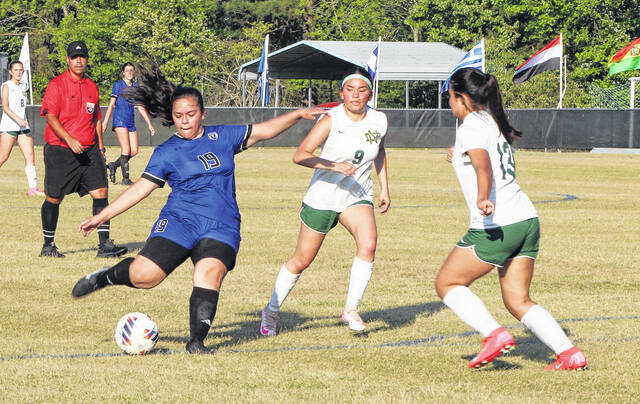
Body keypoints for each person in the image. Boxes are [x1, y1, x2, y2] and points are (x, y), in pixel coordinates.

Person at [70, 64, 326, 354]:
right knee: (146, 276)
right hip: (180, 220)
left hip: (222, 225)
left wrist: (297, 114)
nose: (184, 121)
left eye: (190, 115)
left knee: (209, 273)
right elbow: (141, 188)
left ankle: (196, 343)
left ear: (203, 113)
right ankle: (104, 277)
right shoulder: (166, 151)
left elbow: (264, 131)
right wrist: (102, 216)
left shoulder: (223, 137)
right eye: (178, 116)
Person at [436, 67, 587, 370]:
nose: (448, 103)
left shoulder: (471, 126)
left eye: (449, 96)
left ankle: (494, 335)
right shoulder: (489, 120)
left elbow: (483, 166)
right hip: (526, 218)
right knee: (517, 299)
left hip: (499, 222)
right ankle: (569, 353)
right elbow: (481, 158)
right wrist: (459, 156)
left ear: (461, 96)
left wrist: (482, 197)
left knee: (448, 282)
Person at [260, 68, 390, 336]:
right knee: (301, 260)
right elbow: (300, 155)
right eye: (350, 89)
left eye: (362, 89)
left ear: (370, 93)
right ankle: (271, 311)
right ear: (341, 93)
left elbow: (380, 151)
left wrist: (384, 188)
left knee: (369, 244)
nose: (356, 95)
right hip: (323, 197)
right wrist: (333, 166)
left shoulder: (379, 120)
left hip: (357, 194)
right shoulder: (332, 119)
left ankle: (351, 308)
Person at [38, 41, 127, 258]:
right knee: (54, 198)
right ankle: (48, 246)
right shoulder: (57, 85)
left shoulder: (92, 86)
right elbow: (50, 116)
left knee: (101, 193)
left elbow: (96, 118)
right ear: (68, 60)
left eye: (82, 56)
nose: (79, 60)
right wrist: (68, 139)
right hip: (60, 150)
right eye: (74, 57)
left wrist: (101, 147)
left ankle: (105, 246)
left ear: (86, 60)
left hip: (90, 151)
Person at [102, 62, 156, 185]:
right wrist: (105, 122)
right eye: (127, 70)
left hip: (130, 122)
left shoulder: (136, 88)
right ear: (123, 73)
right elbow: (111, 105)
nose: (130, 72)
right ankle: (126, 179)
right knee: (126, 149)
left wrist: (150, 124)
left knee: (134, 150)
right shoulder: (118, 85)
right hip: (120, 120)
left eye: (132, 70)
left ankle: (113, 165)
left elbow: (140, 107)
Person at [0, 60, 44, 196]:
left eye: (21, 70)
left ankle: (33, 188)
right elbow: (5, 107)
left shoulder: (23, 86)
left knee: (30, 154)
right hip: (10, 125)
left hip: (23, 127)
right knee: (3, 156)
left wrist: (22, 120)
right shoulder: (6, 86)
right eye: (16, 70)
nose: (19, 72)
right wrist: (18, 119)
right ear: (11, 72)